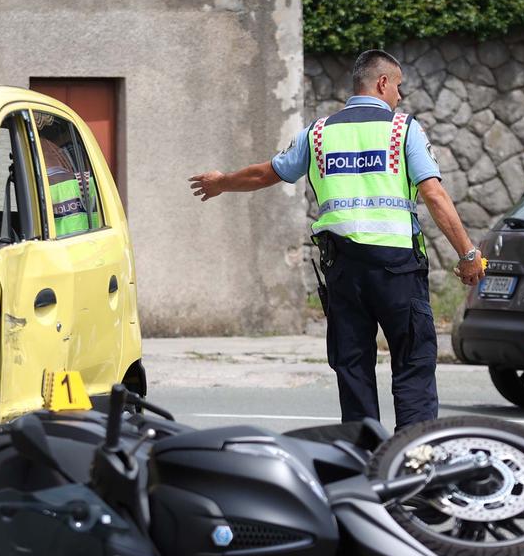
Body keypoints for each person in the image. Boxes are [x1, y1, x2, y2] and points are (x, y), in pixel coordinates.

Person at [189, 49, 484, 428]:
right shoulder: (403, 129)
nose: (400, 96)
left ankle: (362, 465)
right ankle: (414, 464)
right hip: (398, 271)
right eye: (398, 87)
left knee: (353, 368)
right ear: (381, 83)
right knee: (413, 365)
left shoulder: (319, 133)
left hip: (344, 272)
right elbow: (434, 194)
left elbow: (266, 173)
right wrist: (468, 253)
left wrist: (221, 183)